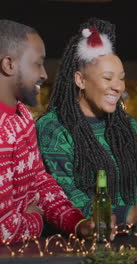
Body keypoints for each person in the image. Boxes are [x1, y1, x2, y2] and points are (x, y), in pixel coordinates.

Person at [35, 18, 137, 229]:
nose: (117, 87)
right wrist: (127, 215)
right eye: (108, 78)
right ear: (80, 80)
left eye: (121, 78)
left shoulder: (127, 126)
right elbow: (63, 197)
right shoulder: (54, 128)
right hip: (82, 247)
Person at [0, 20, 93, 244]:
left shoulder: (22, 116)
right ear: (9, 65)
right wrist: (36, 219)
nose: (43, 74)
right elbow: (3, 230)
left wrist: (77, 223)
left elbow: (39, 182)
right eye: (37, 64)